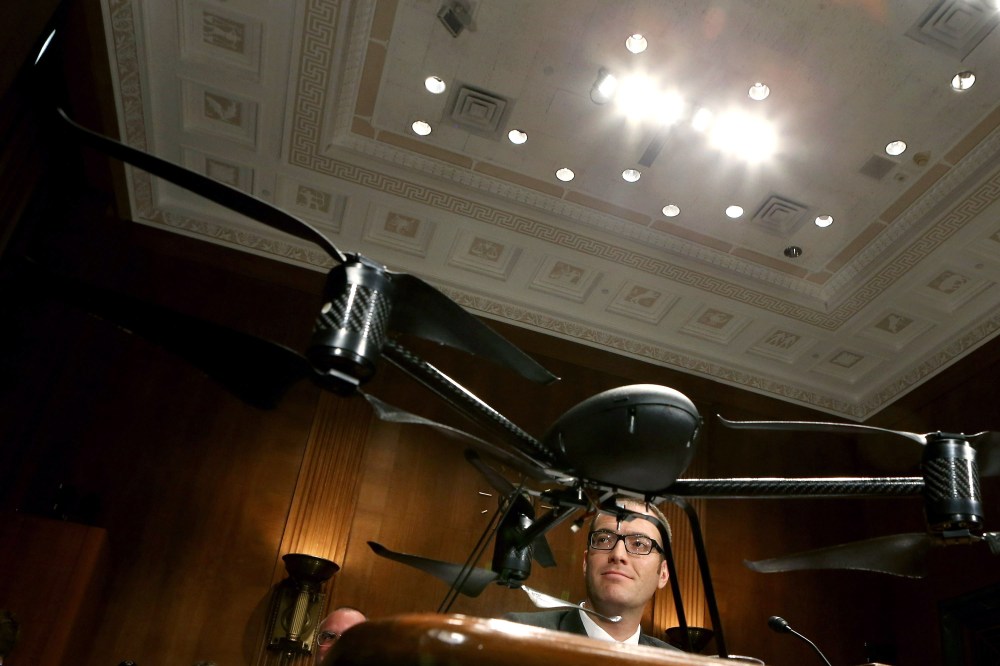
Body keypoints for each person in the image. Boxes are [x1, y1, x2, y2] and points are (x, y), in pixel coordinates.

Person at [503, 496, 680, 650]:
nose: (618, 555)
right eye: (604, 540)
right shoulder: (518, 634)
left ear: (663, 574)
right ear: (586, 563)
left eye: (639, 544)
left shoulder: (678, 663)